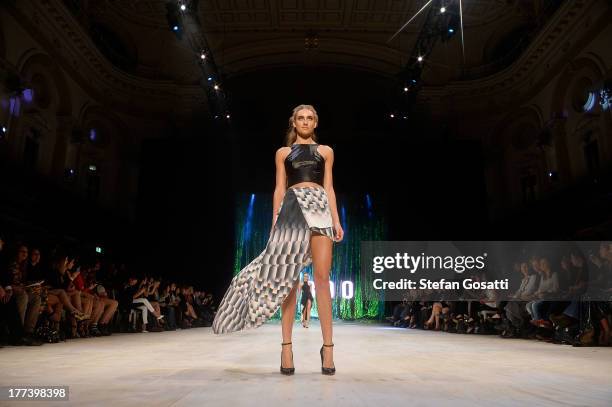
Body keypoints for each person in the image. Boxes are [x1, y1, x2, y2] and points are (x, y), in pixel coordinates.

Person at [212, 104, 344, 376]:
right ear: (294, 123)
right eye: (300, 118)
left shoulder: (325, 151)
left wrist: (337, 219)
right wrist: (275, 220)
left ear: (315, 123)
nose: (305, 121)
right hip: (292, 209)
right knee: (289, 280)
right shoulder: (283, 153)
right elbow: (279, 188)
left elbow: (329, 187)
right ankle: (286, 347)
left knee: (321, 277)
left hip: (319, 206)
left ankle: (328, 348)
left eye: (309, 118)